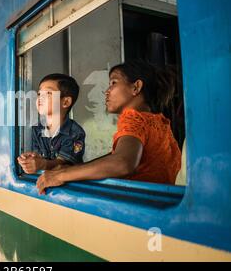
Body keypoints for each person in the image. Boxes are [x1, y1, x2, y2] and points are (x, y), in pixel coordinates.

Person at [36, 60, 182, 194]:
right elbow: (115, 156)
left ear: (136, 87)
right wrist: (72, 169)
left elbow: (122, 162)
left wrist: (61, 175)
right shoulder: (159, 122)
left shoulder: (134, 118)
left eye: (113, 83)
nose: (107, 91)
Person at [17, 73, 86, 174]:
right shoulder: (36, 129)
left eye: (48, 93)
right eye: (39, 94)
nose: (40, 98)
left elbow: (63, 164)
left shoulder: (75, 132)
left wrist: (42, 164)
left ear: (65, 102)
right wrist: (30, 159)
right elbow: (38, 156)